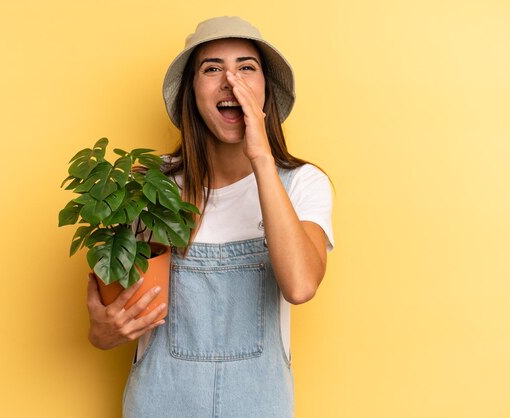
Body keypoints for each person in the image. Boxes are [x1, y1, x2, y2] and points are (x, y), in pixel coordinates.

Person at [86, 16, 334, 417]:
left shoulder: (303, 183)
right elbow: (106, 325)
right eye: (212, 68)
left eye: (246, 67)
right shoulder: (147, 187)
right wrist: (103, 330)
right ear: (192, 93)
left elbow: (301, 285)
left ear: (265, 92)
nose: (230, 81)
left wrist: (261, 158)